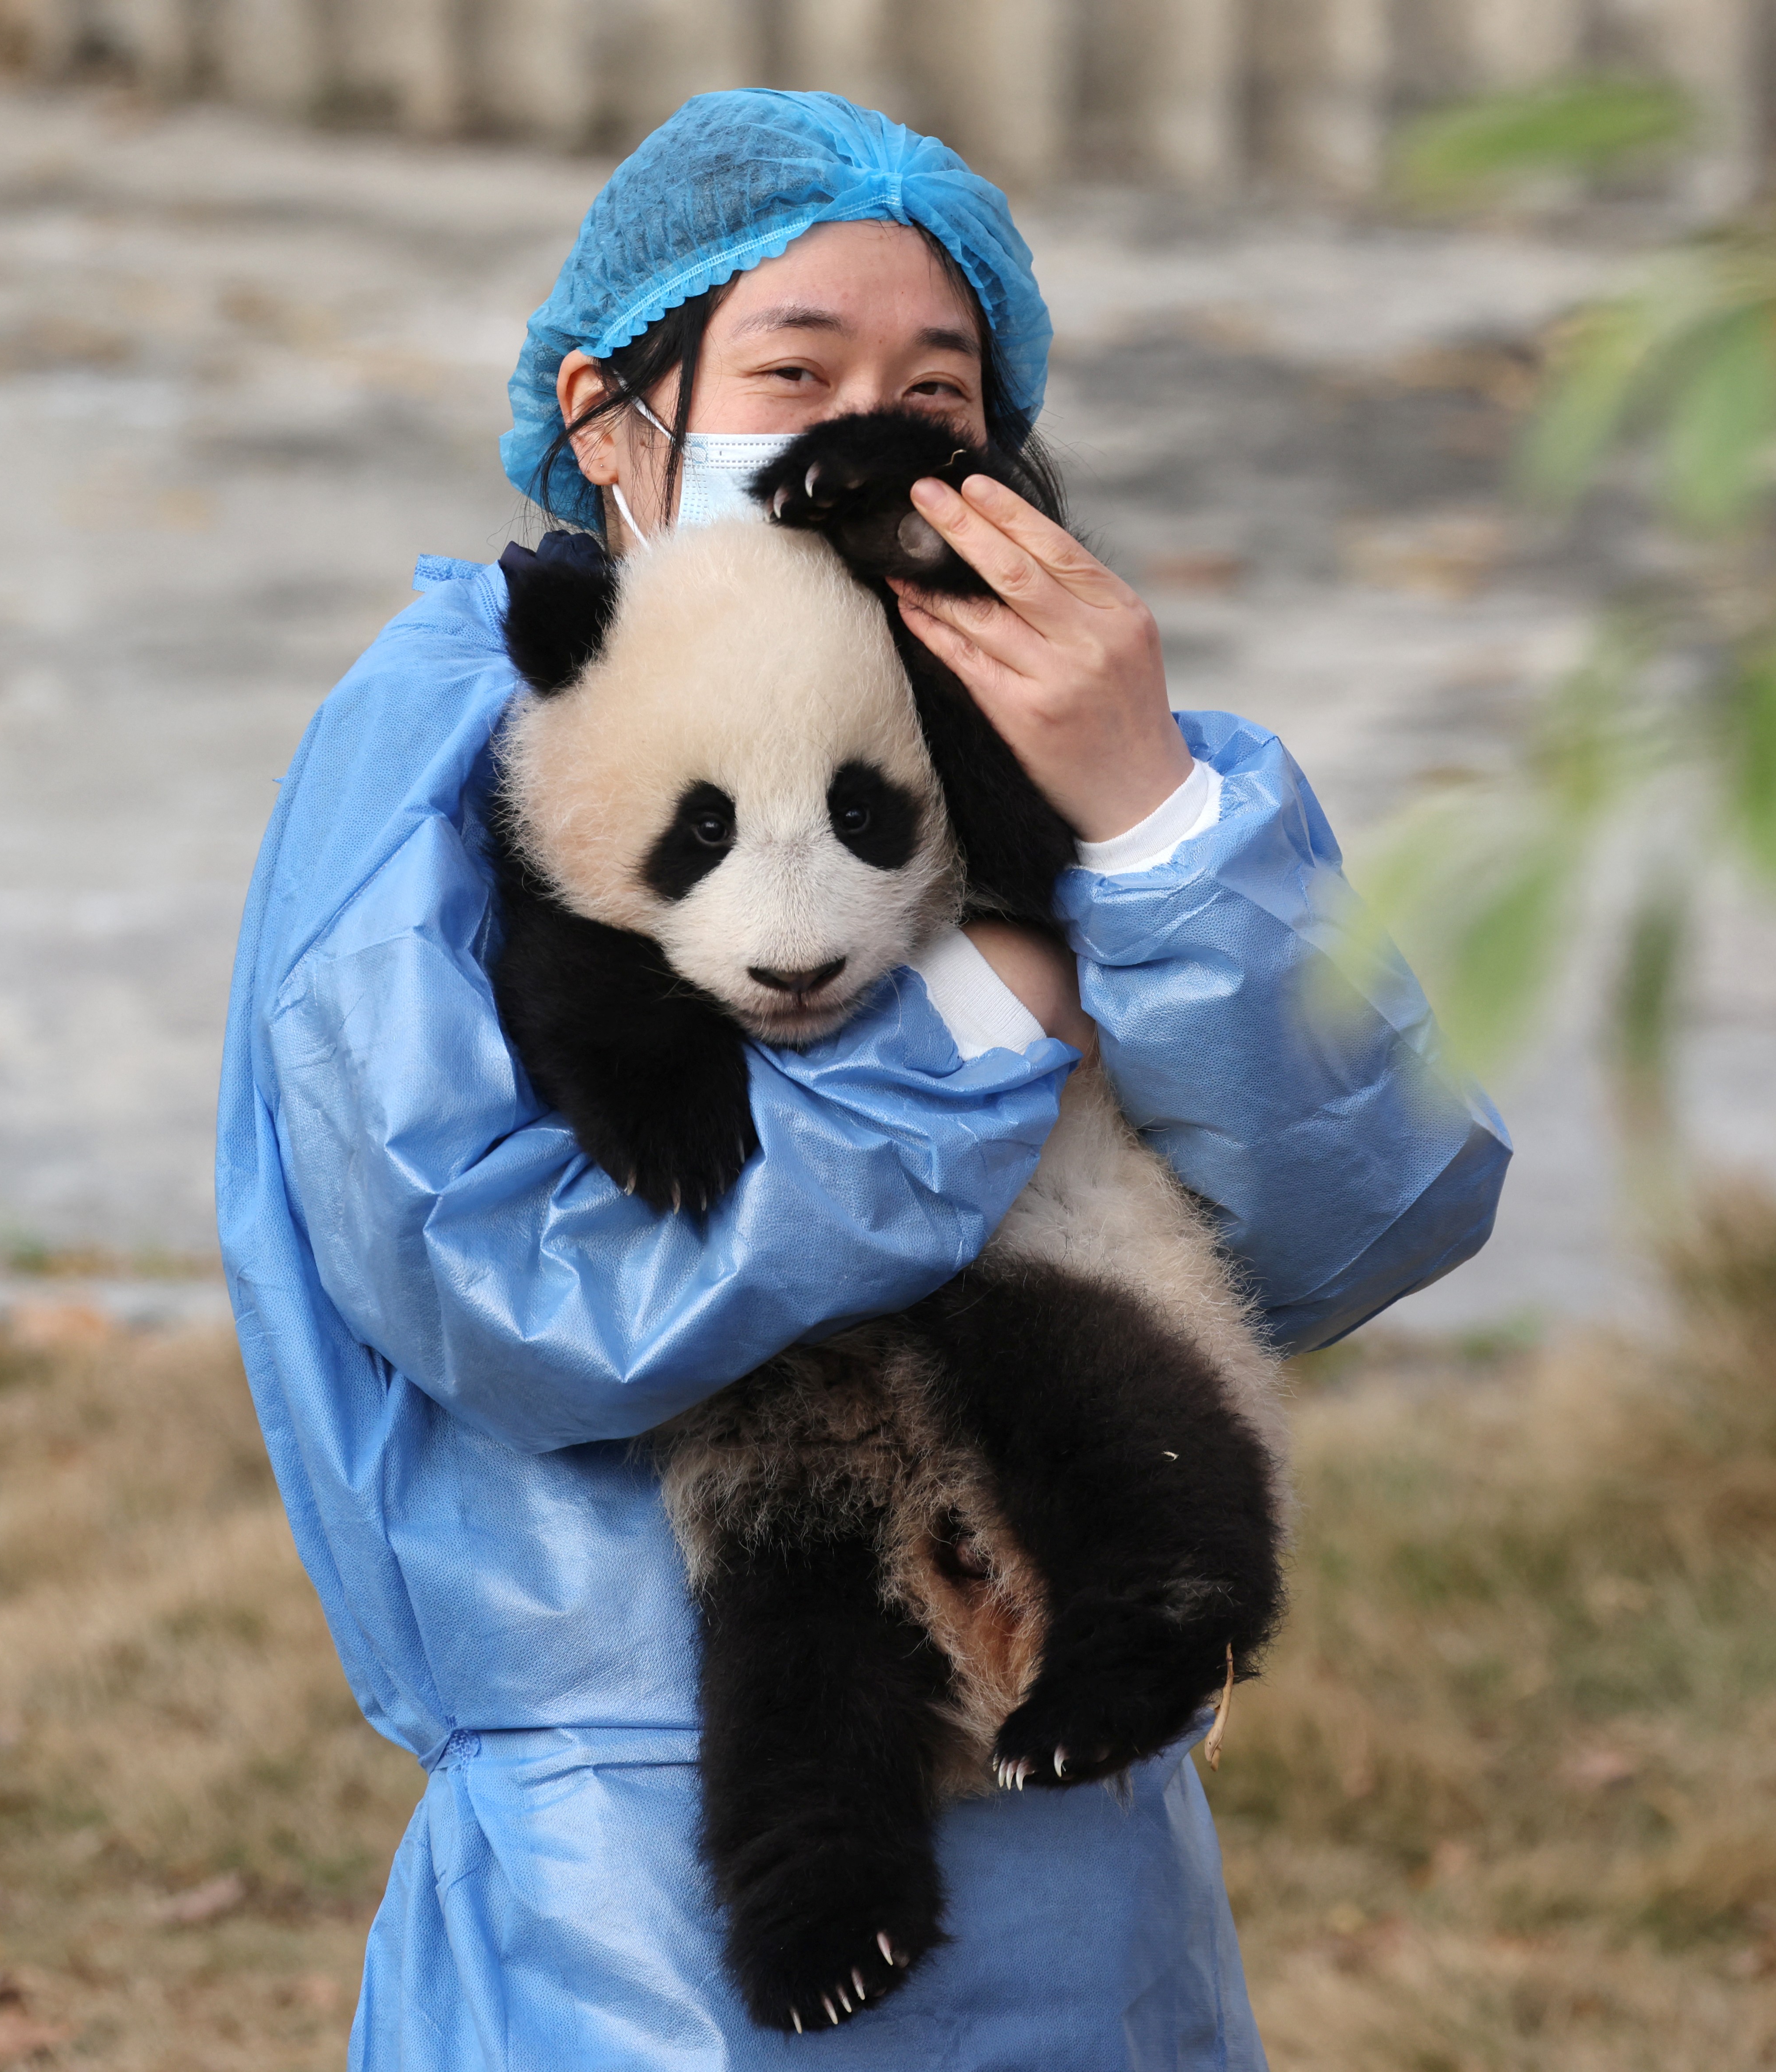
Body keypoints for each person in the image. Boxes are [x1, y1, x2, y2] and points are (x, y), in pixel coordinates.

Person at [216, 89, 1509, 2072]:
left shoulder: (1064, 708)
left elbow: (1361, 1219)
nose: (856, 426)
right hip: (634, 1896)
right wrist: (964, 1042)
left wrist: (1152, 821)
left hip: (1076, 1837)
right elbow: (516, 1298)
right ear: (606, 417)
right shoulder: (449, 743)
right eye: (791, 367)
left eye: (935, 382)